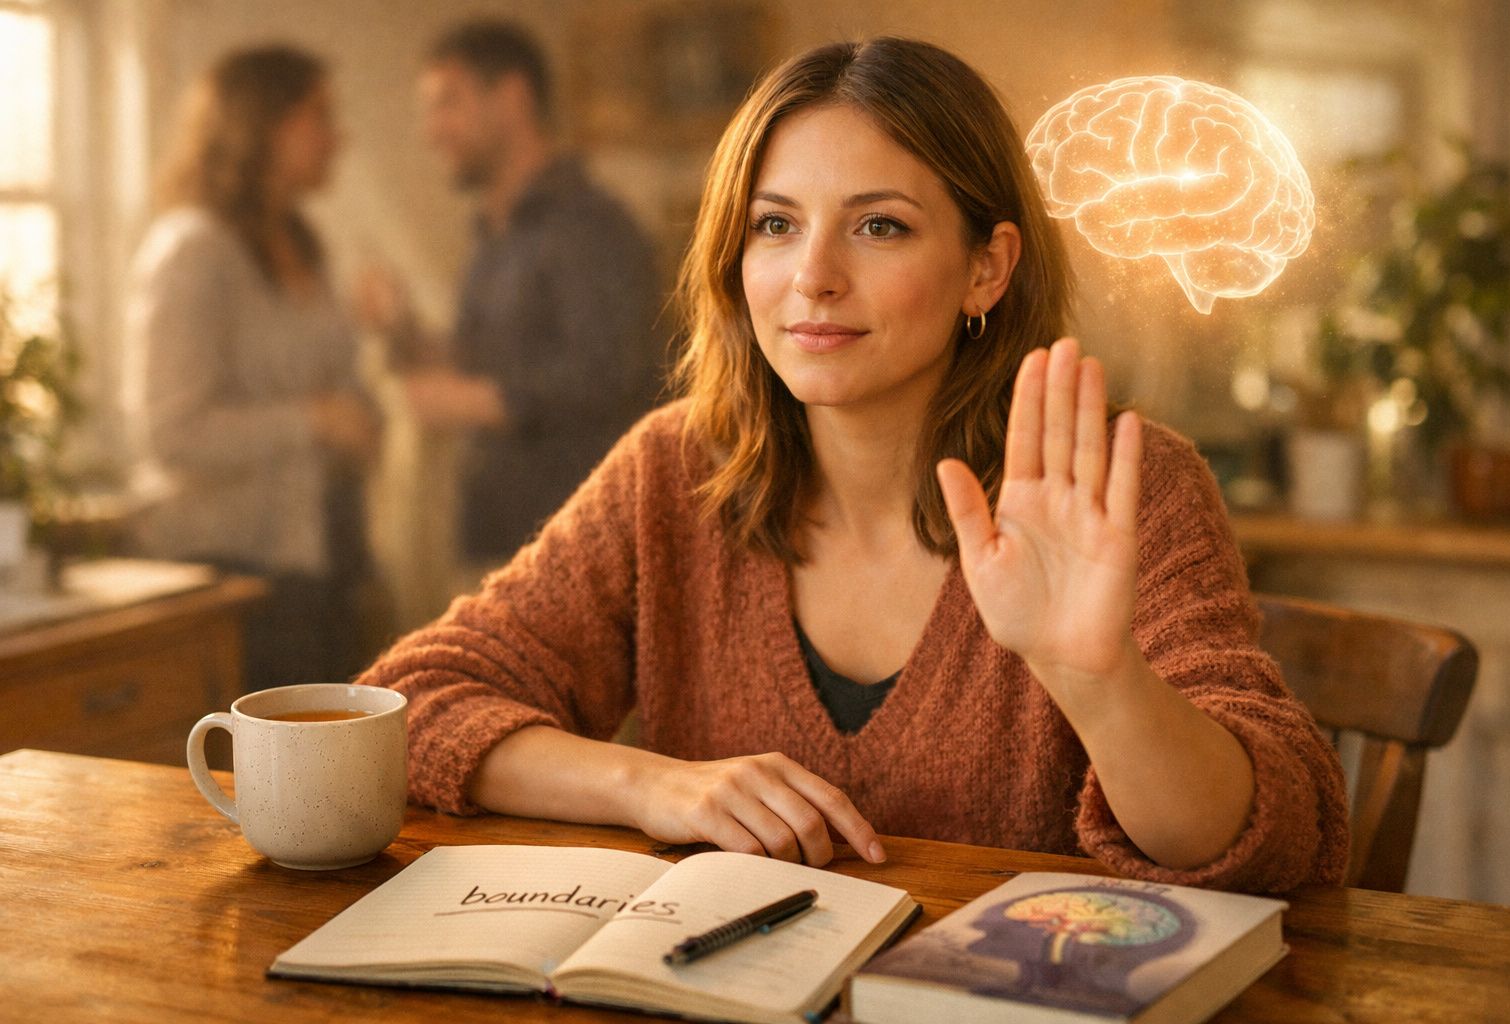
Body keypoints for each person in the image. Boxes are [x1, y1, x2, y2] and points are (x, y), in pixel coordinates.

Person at [359, 37, 1348, 893]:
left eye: (881, 225)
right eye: (775, 224)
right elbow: (415, 705)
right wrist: (653, 781)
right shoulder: (671, 472)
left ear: (987, 268)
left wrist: (1101, 683)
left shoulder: (1124, 483)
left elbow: (1279, 838)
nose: (813, 277)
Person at [358, 19, 663, 565]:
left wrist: (468, 402)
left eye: (447, 103)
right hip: (500, 537)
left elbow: (604, 374)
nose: (432, 130)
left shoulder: (590, 225)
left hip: (581, 544)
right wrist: (401, 329)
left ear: (513, 98)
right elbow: (484, 358)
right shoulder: (493, 231)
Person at [124, 45, 380, 691]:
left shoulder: (302, 243)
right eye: (318, 115)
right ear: (263, 124)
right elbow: (171, 432)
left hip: (322, 558)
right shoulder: (193, 250)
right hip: (233, 571)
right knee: (263, 783)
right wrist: (314, 421)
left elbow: (336, 390)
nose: (336, 136)